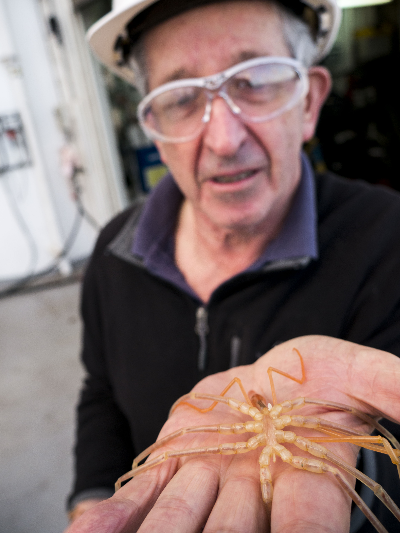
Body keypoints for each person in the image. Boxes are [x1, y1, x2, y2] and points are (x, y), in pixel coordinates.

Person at [66, 0, 400, 531]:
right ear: (153, 128)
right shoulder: (113, 252)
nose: (224, 139)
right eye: (180, 97)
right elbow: (100, 393)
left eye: (256, 79)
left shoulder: (389, 239)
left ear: (309, 101)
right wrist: (91, 502)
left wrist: (353, 462)